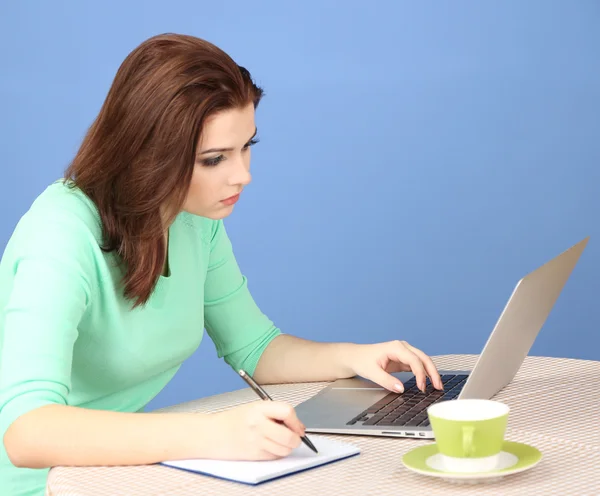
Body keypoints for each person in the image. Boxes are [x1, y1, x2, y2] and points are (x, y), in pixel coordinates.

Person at [0, 33, 443, 496]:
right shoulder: (60, 236)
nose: (243, 175)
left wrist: (352, 357)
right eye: (214, 159)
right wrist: (215, 435)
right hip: (40, 484)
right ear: (146, 154)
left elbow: (254, 347)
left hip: (117, 470)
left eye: (247, 145)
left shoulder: (191, 216)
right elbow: (27, 432)